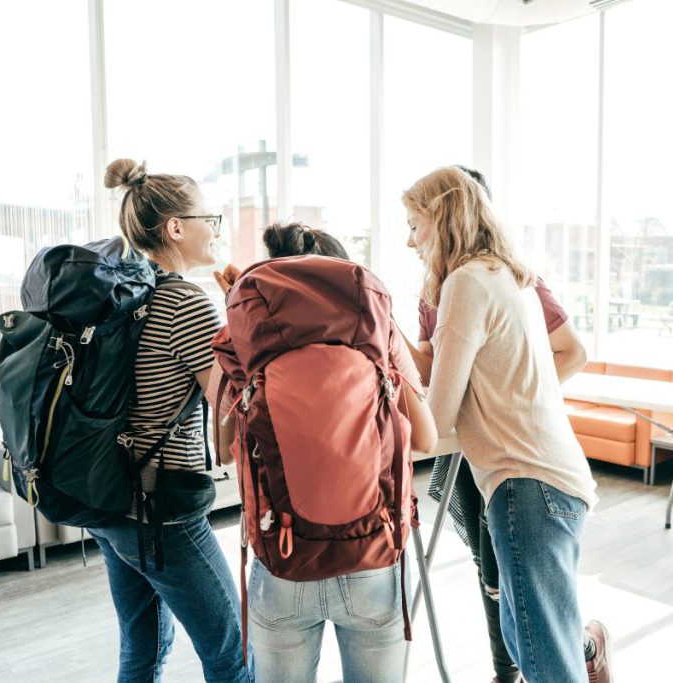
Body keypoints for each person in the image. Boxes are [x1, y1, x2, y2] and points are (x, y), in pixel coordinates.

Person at [402, 167, 612, 683]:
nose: (410, 241)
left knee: (541, 660)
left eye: (414, 225)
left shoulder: (465, 283)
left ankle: (584, 653)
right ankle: (589, 651)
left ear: (442, 217)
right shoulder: (502, 274)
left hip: (526, 483)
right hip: (547, 480)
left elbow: (439, 414)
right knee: (531, 642)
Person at [210, 223, 438, 683]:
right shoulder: (380, 327)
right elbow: (426, 439)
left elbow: (224, 451)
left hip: (283, 559)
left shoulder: (241, 330)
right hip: (373, 553)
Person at [89, 159, 250, 683]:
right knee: (233, 652)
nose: (217, 229)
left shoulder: (119, 293)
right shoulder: (185, 301)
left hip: (108, 495)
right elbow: (229, 412)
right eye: (212, 218)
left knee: (141, 650)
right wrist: (239, 315)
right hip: (162, 510)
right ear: (176, 228)